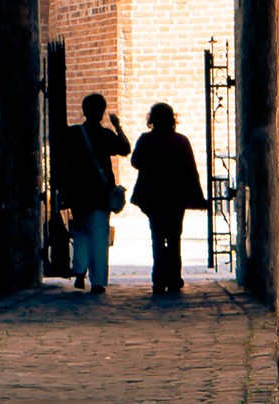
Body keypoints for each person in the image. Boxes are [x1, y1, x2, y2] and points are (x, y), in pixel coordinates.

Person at [129, 102, 208, 294]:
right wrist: (198, 198)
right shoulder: (181, 141)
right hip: (175, 196)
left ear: (152, 119)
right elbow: (191, 171)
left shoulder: (146, 140)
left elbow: (135, 161)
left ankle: (158, 280)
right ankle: (173, 278)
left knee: (157, 238)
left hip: (153, 197)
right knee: (174, 238)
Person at [62, 93, 130, 294]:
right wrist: (117, 125)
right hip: (101, 192)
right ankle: (98, 281)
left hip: (79, 192)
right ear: (101, 112)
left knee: (82, 232)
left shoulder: (73, 134)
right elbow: (126, 148)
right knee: (99, 236)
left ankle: (80, 271)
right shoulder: (105, 135)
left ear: (84, 111)